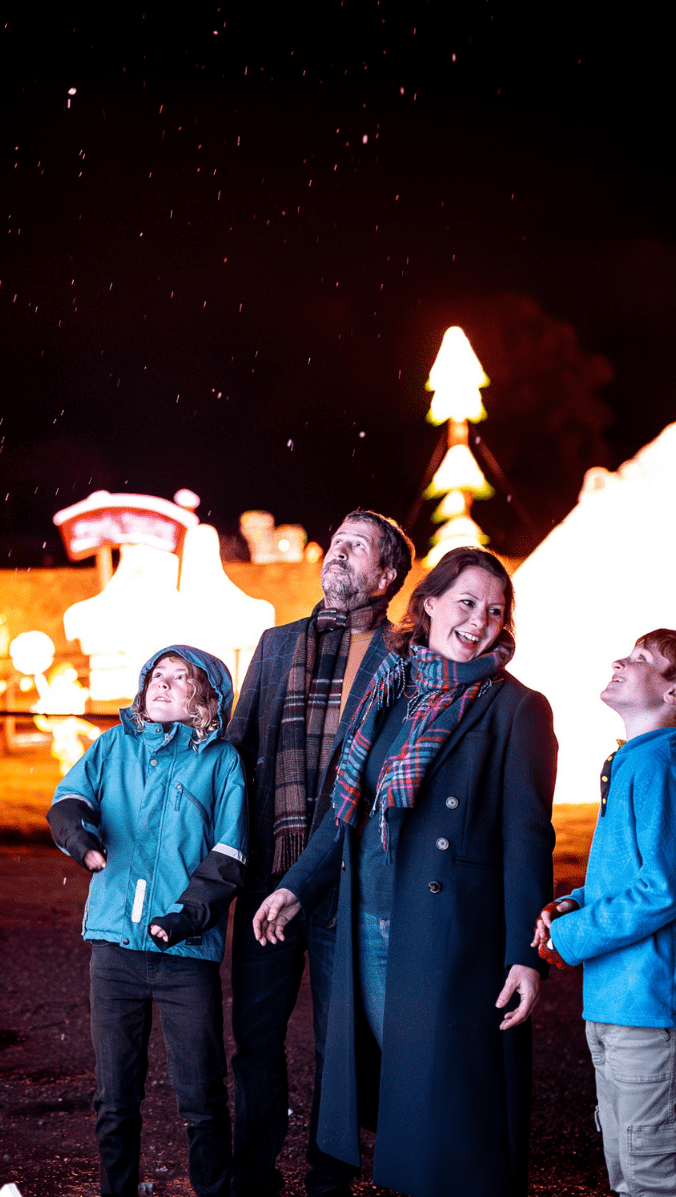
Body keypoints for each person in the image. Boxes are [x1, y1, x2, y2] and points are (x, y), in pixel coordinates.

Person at [253, 546, 557, 1197]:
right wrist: (294, 886)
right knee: (399, 1086)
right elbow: (344, 808)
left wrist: (527, 956)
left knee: (445, 1097)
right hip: (368, 921)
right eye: (466, 602)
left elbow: (528, 836)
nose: (479, 621)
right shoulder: (389, 689)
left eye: (496, 611)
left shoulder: (517, 709)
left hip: (448, 932)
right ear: (428, 603)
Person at [227, 510, 413, 1197]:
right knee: (255, 1036)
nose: (338, 553)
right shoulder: (277, 645)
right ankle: (252, 1171)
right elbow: (242, 754)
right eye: (336, 543)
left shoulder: (405, 655)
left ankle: (330, 1174)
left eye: (355, 547)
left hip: (350, 882)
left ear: (385, 575)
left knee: (341, 1044)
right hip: (271, 870)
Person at [46, 645, 247, 1197]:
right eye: (157, 675)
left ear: (205, 698)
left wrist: (188, 916)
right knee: (114, 1100)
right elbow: (69, 799)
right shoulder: (113, 746)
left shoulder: (222, 763)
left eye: (180, 678)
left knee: (203, 1100)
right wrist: (79, 837)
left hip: (186, 957)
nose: (163, 684)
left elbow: (229, 854)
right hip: (114, 951)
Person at [534, 629, 676, 1197]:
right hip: (620, 1003)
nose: (622, 659)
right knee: (629, 1174)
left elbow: (667, 889)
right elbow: (633, 873)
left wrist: (571, 935)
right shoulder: (634, 764)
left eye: (643, 659)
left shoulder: (659, 769)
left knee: (654, 1182)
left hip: (648, 1005)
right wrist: (574, 902)